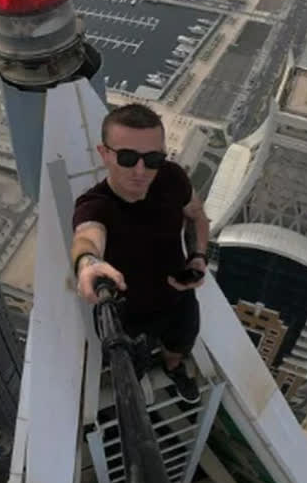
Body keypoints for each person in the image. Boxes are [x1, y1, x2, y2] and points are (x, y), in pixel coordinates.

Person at [70, 104, 210, 403]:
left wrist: (198, 256)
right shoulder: (96, 205)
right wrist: (88, 263)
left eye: (153, 159)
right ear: (104, 153)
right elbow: (87, 237)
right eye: (127, 157)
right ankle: (140, 374)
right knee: (132, 364)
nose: (140, 170)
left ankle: (174, 369)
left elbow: (197, 215)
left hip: (177, 296)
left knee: (180, 347)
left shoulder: (172, 178)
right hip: (125, 312)